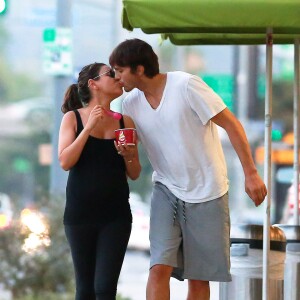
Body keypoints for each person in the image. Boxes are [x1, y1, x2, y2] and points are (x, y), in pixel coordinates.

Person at [109, 39, 267, 300]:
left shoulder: (186, 85)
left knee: (198, 277)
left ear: (138, 69)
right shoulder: (130, 104)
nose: (117, 77)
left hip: (208, 191)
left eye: (120, 70)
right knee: (158, 266)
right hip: (166, 189)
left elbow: (232, 124)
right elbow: (135, 161)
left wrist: (251, 173)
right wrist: (128, 156)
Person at [58, 62, 141, 300]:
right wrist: (88, 129)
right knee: (85, 290)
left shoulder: (125, 122)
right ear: (93, 84)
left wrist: (129, 156)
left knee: (105, 289)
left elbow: (134, 173)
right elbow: (65, 161)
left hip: (116, 217)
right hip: (80, 215)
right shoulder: (73, 118)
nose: (117, 78)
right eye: (110, 74)